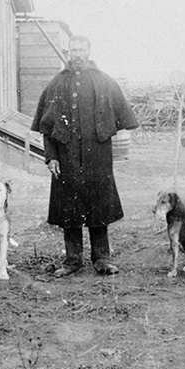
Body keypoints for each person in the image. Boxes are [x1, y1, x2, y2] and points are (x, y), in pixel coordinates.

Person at [31, 35, 138, 276]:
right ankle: (72, 261)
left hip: (97, 155)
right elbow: (47, 129)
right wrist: (51, 157)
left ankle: (102, 260)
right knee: (69, 208)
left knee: (99, 206)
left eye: (81, 49)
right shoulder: (57, 84)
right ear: (68, 52)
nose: (77, 54)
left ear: (89, 51)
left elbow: (120, 120)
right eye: (73, 50)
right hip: (66, 157)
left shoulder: (104, 82)